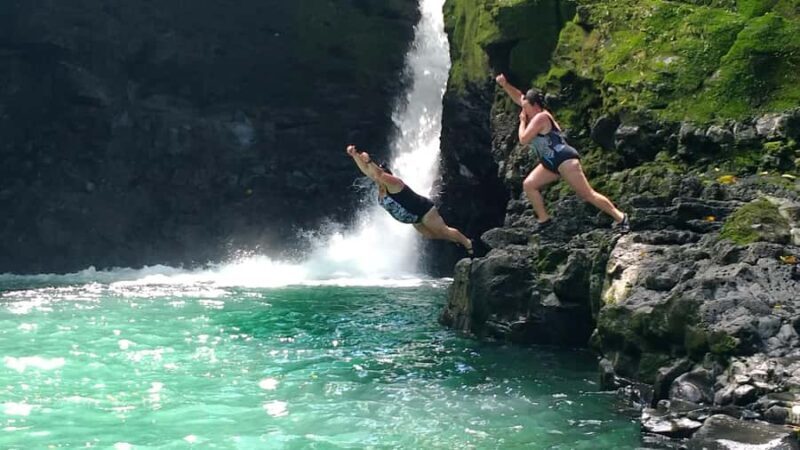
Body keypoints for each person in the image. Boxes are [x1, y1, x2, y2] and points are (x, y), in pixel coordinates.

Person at [495, 74, 630, 233]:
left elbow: (523, 139)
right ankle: (544, 221)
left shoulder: (541, 117)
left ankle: (621, 217)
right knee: (529, 185)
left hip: (564, 159)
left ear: (535, 105)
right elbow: (519, 97)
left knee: (587, 194)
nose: (523, 109)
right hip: (550, 162)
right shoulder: (532, 109)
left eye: (526, 107)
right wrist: (505, 85)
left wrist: (522, 122)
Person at [346, 144, 474, 255]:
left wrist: (369, 161)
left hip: (424, 211)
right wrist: (355, 155)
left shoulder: (395, 183)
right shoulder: (381, 186)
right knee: (431, 235)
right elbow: (367, 172)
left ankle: (468, 243)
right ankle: (455, 239)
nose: (374, 176)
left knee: (443, 230)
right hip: (414, 218)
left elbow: (377, 173)